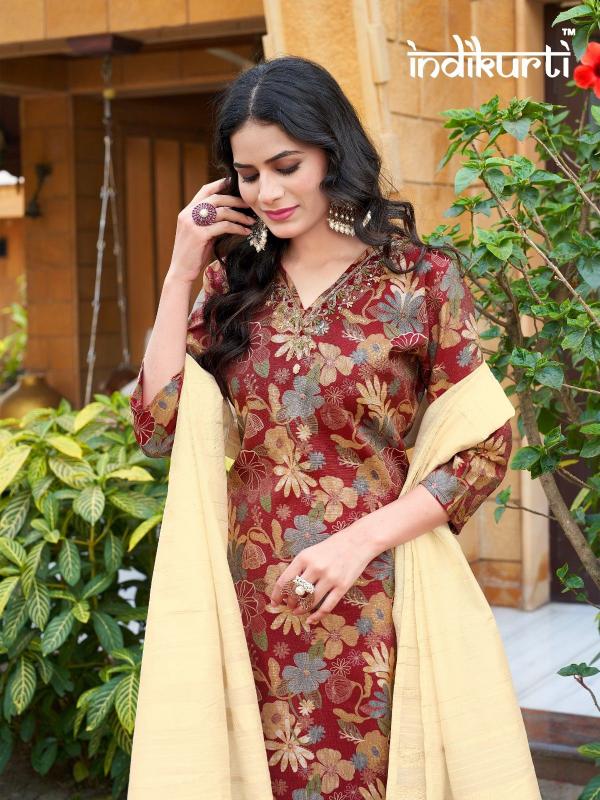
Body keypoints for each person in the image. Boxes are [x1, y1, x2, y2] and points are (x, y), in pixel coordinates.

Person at [129, 55, 512, 799]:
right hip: (249, 604)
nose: (267, 193)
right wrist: (181, 273)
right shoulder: (232, 285)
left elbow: (482, 453)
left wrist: (358, 542)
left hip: (375, 597)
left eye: (286, 166)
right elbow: (156, 426)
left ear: (332, 154)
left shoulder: (421, 282)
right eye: (247, 175)